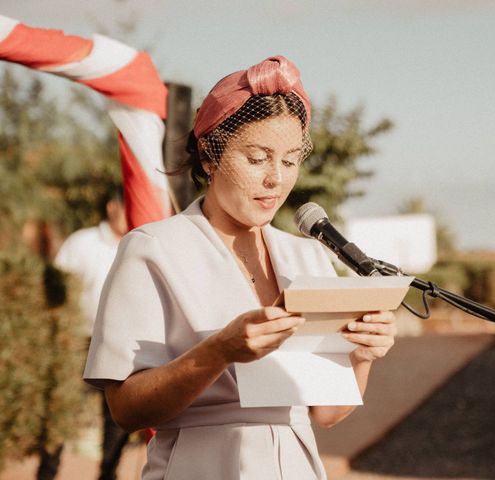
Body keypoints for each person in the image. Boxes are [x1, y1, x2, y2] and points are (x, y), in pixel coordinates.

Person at [83, 56, 397, 480]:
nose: (276, 179)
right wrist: (218, 351)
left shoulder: (308, 256)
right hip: (200, 467)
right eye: (257, 158)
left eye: (289, 161)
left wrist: (361, 355)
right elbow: (126, 410)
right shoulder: (152, 249)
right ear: (211, 156)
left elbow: (326, 412)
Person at [54, 188, 131, 480]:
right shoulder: (81, 243)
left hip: (118, 345)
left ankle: (108, 475)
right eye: (127, 206)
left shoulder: (138, 243)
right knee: (63, 413)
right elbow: (60, 290)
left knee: (115, 420)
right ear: (112, 206)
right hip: (78, 342)